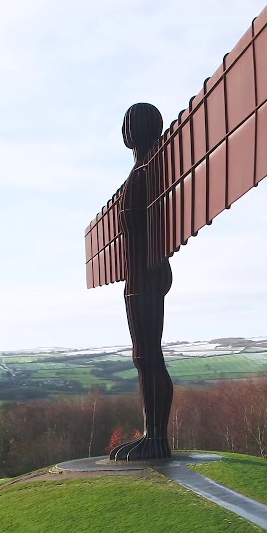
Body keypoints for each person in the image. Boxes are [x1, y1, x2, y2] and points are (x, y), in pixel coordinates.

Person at [109, 103, 174, 461]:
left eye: (130, 122)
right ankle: (152, 435)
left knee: (149, 355)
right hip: (137, 276)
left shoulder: (151, 170)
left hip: (147, 274)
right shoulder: (140, 172)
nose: (125, 129)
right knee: (143, 356)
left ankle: (157, 439)